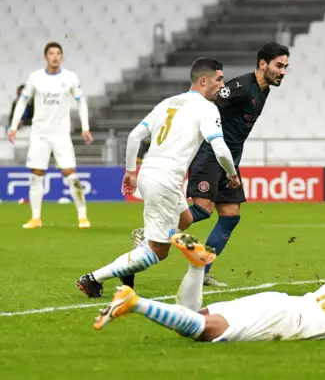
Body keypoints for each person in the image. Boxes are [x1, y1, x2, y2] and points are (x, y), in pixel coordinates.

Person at [126, 43, 290, 288]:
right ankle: (148, 235)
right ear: (262, 64)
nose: (283, 71)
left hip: (229, 159)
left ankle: (202, 271)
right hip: (211, 154)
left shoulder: (263, 90)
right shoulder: (242, 87)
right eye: (279, 65)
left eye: (286, 67)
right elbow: (207, 102)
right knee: (202, 208)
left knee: (230, 215)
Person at [75, 57, 240, 298]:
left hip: (150, 175)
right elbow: (220, 148)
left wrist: (130, 172)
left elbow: (134, 136)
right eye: (219, 79)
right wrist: (232, 174)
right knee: (158, 252)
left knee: (184, 219)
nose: (222, 84)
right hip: (164, 181)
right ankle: (93, 279)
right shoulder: (207, 108)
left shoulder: (167, 103)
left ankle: (133, 255)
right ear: (203, 81)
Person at [94, 236, 325, 343]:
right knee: (206, 332)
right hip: (287, 322)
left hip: (280, 301)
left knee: (193, 318)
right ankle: (134, 302)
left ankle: (197, 266)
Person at [7, 42, 93, 229]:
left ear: (62, 57)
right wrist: (13, 126)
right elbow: (22, 102)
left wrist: (85, 127)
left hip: (61, 135)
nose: (55, 57)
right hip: (40, 134)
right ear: (45, 57)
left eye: (58, 54)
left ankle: (83, 217)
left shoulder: (70, 78)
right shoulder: (35, 78)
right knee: (36, 175)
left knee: (71, 175)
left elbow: (81, 102)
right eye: (51, 53)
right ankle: (36, 219)